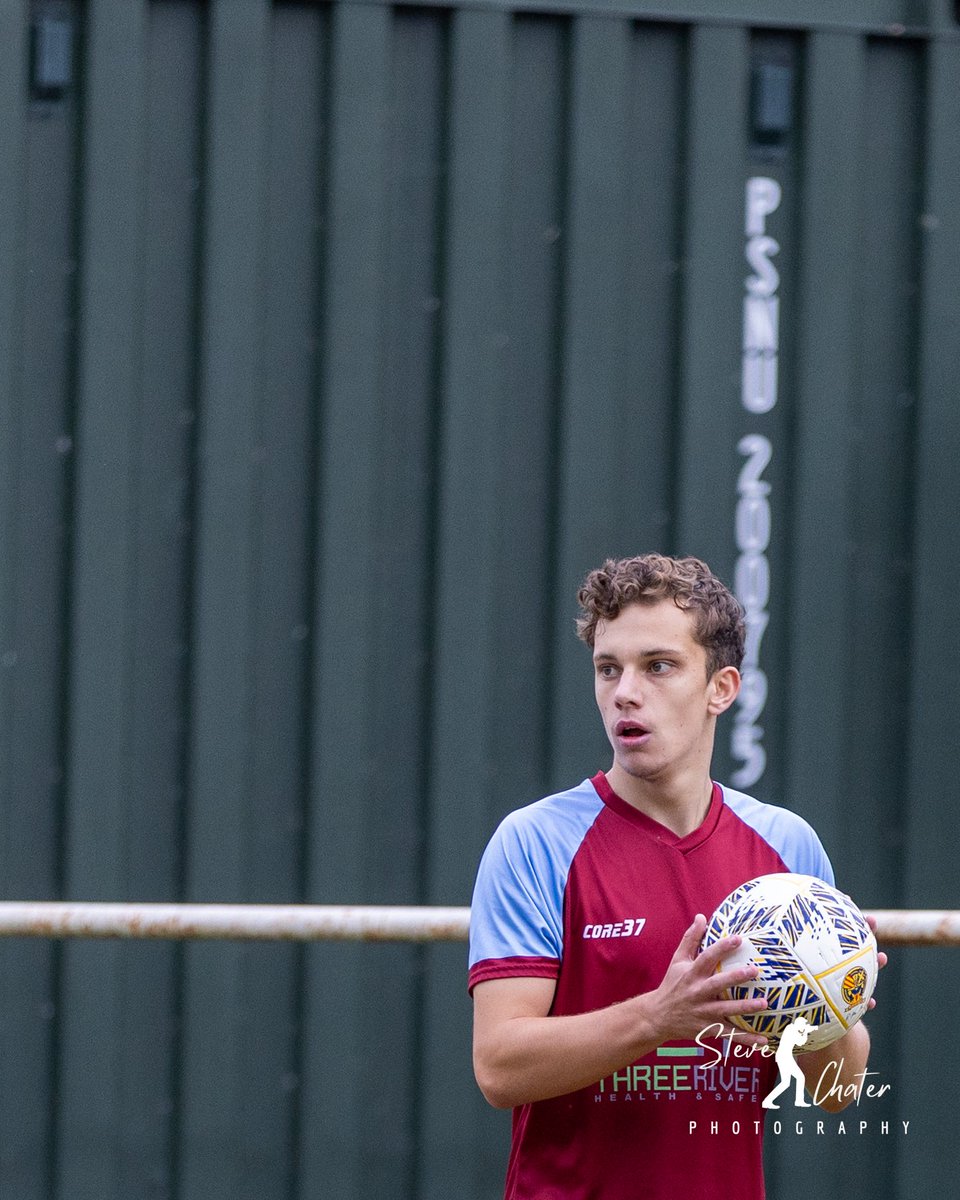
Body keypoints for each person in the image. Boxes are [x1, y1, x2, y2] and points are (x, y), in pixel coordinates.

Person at [468, 554, 883, 1200]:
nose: (625, 692)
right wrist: (660, 1017)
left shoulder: (786, 849)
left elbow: (839, 1091)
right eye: (609, 669)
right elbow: (499, 1066)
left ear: (721, 688)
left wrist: (834, 1001)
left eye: (657, 666)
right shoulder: (535, 844)